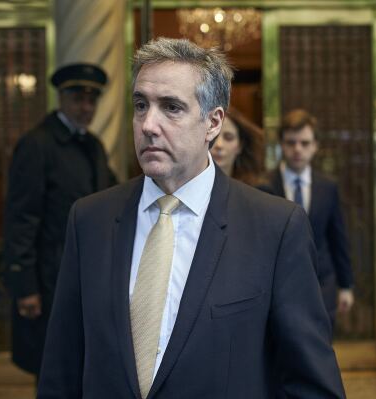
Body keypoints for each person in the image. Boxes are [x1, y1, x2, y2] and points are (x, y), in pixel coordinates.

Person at [38, 38, 345, 398]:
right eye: (141, 105)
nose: (148, 124)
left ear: (212, 122)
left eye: (171, 107)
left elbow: (311, 384)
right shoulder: (90, 220)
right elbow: (62, 368)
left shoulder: (275, 228)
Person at [3, 63, 117, 376]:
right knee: (53, 368)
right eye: (78, 99)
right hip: (49, 276)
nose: (86, 108)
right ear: (61, 99)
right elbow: (21, 218)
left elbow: (112, 194)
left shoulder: (93, 145)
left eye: (92, 100)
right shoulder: (37, 145)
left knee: (82, 366)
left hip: (86, 274)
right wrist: (25, 285)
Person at [259, 109, 354, 328]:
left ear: (315, 145)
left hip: (323, 283)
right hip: (279, 284)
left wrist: (346, 285)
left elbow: (338, 237)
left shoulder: (328, 187)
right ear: (281, 144)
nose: (297, 149)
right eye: (291, 142)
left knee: (321, 347)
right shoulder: (264, 185)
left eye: (304, 142)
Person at [210, 108, 268, 186]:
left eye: (228, 138)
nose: (219, 145)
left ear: (240, 146)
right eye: (213, 136)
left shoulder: (255, 190)